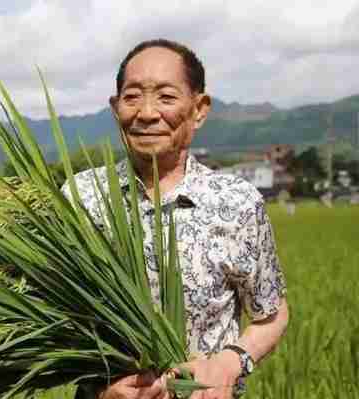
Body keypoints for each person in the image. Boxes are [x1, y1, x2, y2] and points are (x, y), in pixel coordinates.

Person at [65, 39, 289, 399]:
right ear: (114, 107)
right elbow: (57, 315)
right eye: (132, 96)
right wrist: (103, 388)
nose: (148, 113)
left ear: (199, 109)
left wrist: (229, 364)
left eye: (167, 97)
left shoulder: (237, 202)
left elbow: (271, 314)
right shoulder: (81, 197)